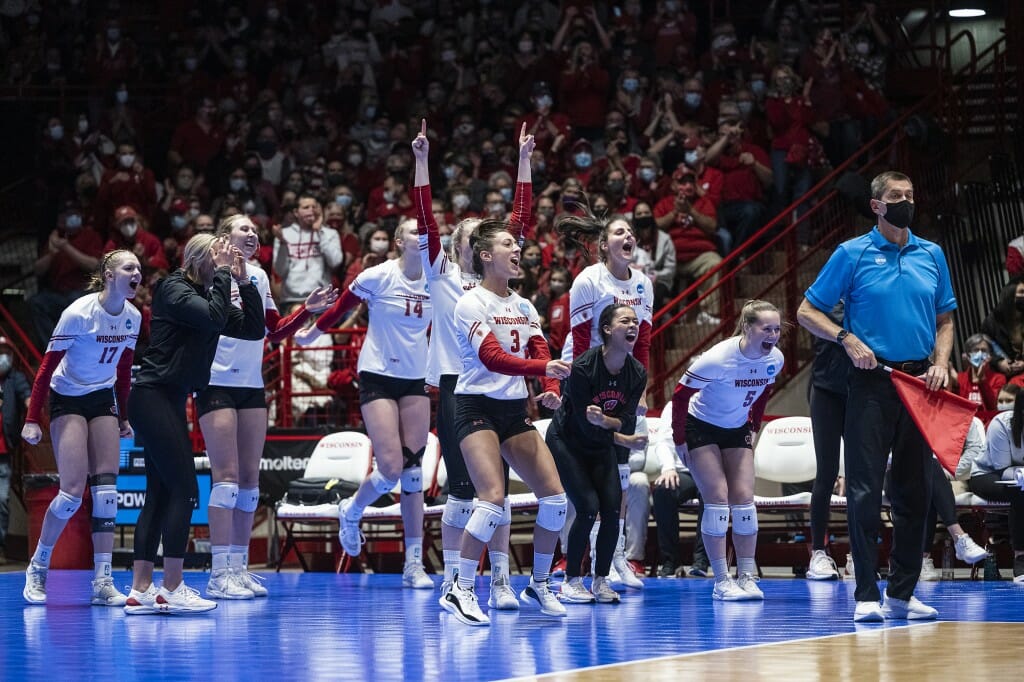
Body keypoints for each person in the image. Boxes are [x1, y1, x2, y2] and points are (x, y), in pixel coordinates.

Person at [797, 170, 955, 622]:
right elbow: (808, 311)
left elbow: (946, 318)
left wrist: (942, 362)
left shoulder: (933, 254)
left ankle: (902, 593)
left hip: (921, 384)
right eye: (895, 196)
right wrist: (845, 337)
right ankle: (866, 593)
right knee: (865, 491)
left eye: (910, 195)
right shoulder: (851, 253)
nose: (905, 202)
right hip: (870, 384)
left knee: (915, 492)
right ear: (877, 206)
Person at [413, 121, 535, 609]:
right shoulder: (441, 275)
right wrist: (422, 160)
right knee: (465, 493)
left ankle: (501, 581)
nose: (474, 234)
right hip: (456, 385)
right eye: (465, 231)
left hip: (502, 385)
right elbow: (425, 220)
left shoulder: (497, 282)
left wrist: (523, 159)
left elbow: (520, 223)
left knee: (498, 489)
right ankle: (453, 581)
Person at [198, 214, 337, 599]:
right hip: (215, 384)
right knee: (224, 479)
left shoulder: (258, 276)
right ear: (224, 237)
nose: (253, 234)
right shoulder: (207, 270)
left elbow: (273, 330)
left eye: (255, 231)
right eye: (244, 229)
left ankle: (239, 569)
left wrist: (307, 309)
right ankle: (218, 572)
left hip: (251, 386)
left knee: (249, 483)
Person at [125, 234, 265, 614]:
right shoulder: (175, 288)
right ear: (201, 258)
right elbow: (216, 318)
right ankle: (172, 586)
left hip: (169, 398)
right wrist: (223, 273)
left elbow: (253, 328)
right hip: (152, 396)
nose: (225, 259)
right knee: (186, 489)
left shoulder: (208, 296)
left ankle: (140, 588)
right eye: (218, 255)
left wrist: (244, 280)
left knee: (160, 492)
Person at [441, 219, 571, 626]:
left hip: (513, 409)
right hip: (474, 405)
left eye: (517, 244)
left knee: (555, 498)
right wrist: (542, 366)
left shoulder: (524, 305)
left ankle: (539, 582)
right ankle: (460, 589)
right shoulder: (470, 303)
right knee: (491, 498)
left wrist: (550, 385)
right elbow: (492, 358)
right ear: (485, 256)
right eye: (507, 244)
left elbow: (539, 347)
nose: (517, 250)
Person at [296, 209, 434, 590]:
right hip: (377, 375)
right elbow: (341, 307)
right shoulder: (378, 276)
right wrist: (312, 331)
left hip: (416, 377)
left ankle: (413, 563)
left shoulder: (438, 279)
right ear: (399, 242)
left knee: (413, 472)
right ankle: (352, 510)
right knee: (389, 468)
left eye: (425, 231)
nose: (421, 236)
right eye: (413, 232)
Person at [20, 250, 142, 606]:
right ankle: (38, 566)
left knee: (107, 492)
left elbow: (123, 371)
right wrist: (31, 419)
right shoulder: (78, 313)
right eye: (128, 267)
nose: (137, 273)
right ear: (108, 274)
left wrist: (123, 417)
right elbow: (45, 369)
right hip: (67, 396)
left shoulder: (132, 318)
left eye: (139, 268)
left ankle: (102, 581)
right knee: (72, 494)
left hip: (102, 396)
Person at [557, 206, 655, 589]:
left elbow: (643, 340)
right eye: (618, 232)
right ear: (602, 245)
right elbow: (581, 340)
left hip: (623, 378)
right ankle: (577, 560)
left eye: (630, 231)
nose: (627, 236)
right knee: (587, 467)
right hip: (586, 374)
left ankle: (614, 556)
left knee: (622, 470)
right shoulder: (588, 280)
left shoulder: (644, 283)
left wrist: (640, 387)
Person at [671, 299, 784, 601]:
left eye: (777, 329)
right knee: (718, 498)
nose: (773, 335)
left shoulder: (775, 359)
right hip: (701, 426)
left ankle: (746, 576)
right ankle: (721, 580)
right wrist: (679, 439)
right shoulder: (718, 358)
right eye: (766, 329)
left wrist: (754, 426)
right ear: (748, 327)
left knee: (745, 500)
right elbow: (681, 395)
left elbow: (763, 393)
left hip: (736, 428)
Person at [547, 304, 646, 603]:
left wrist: (607, 423)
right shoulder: (583, 368)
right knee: (588, 506)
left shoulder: (637, 373)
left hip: (600, 442)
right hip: (568, 441)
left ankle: (601, 580)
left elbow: (626, 418)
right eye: (624, 320)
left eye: (635, 321)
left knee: (613, 509)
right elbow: (582, 424)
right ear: (606, 329)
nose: (632, 325)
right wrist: (622, 438)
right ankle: (571, 580)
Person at [805, 303, 849, 580]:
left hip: (861, 392)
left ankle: (859, 554)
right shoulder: (823, 305)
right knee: (827, 473)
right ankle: (818, 553)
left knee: (861, 475)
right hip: (826, 392)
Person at [969, 384, 1024, 582]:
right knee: (1020, 491)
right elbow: (1003, 469)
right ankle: (1020, 558)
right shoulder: (1002, 424)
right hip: (988, 475)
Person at [650, 399, 709, 578]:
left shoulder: (719, 402)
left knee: (713, 494)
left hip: (709, 470)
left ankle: (701, 562)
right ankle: (671, 562)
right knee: (662, 489)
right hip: (682, 471)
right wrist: (668, 468)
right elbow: (662, 442)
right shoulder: (675, 404)